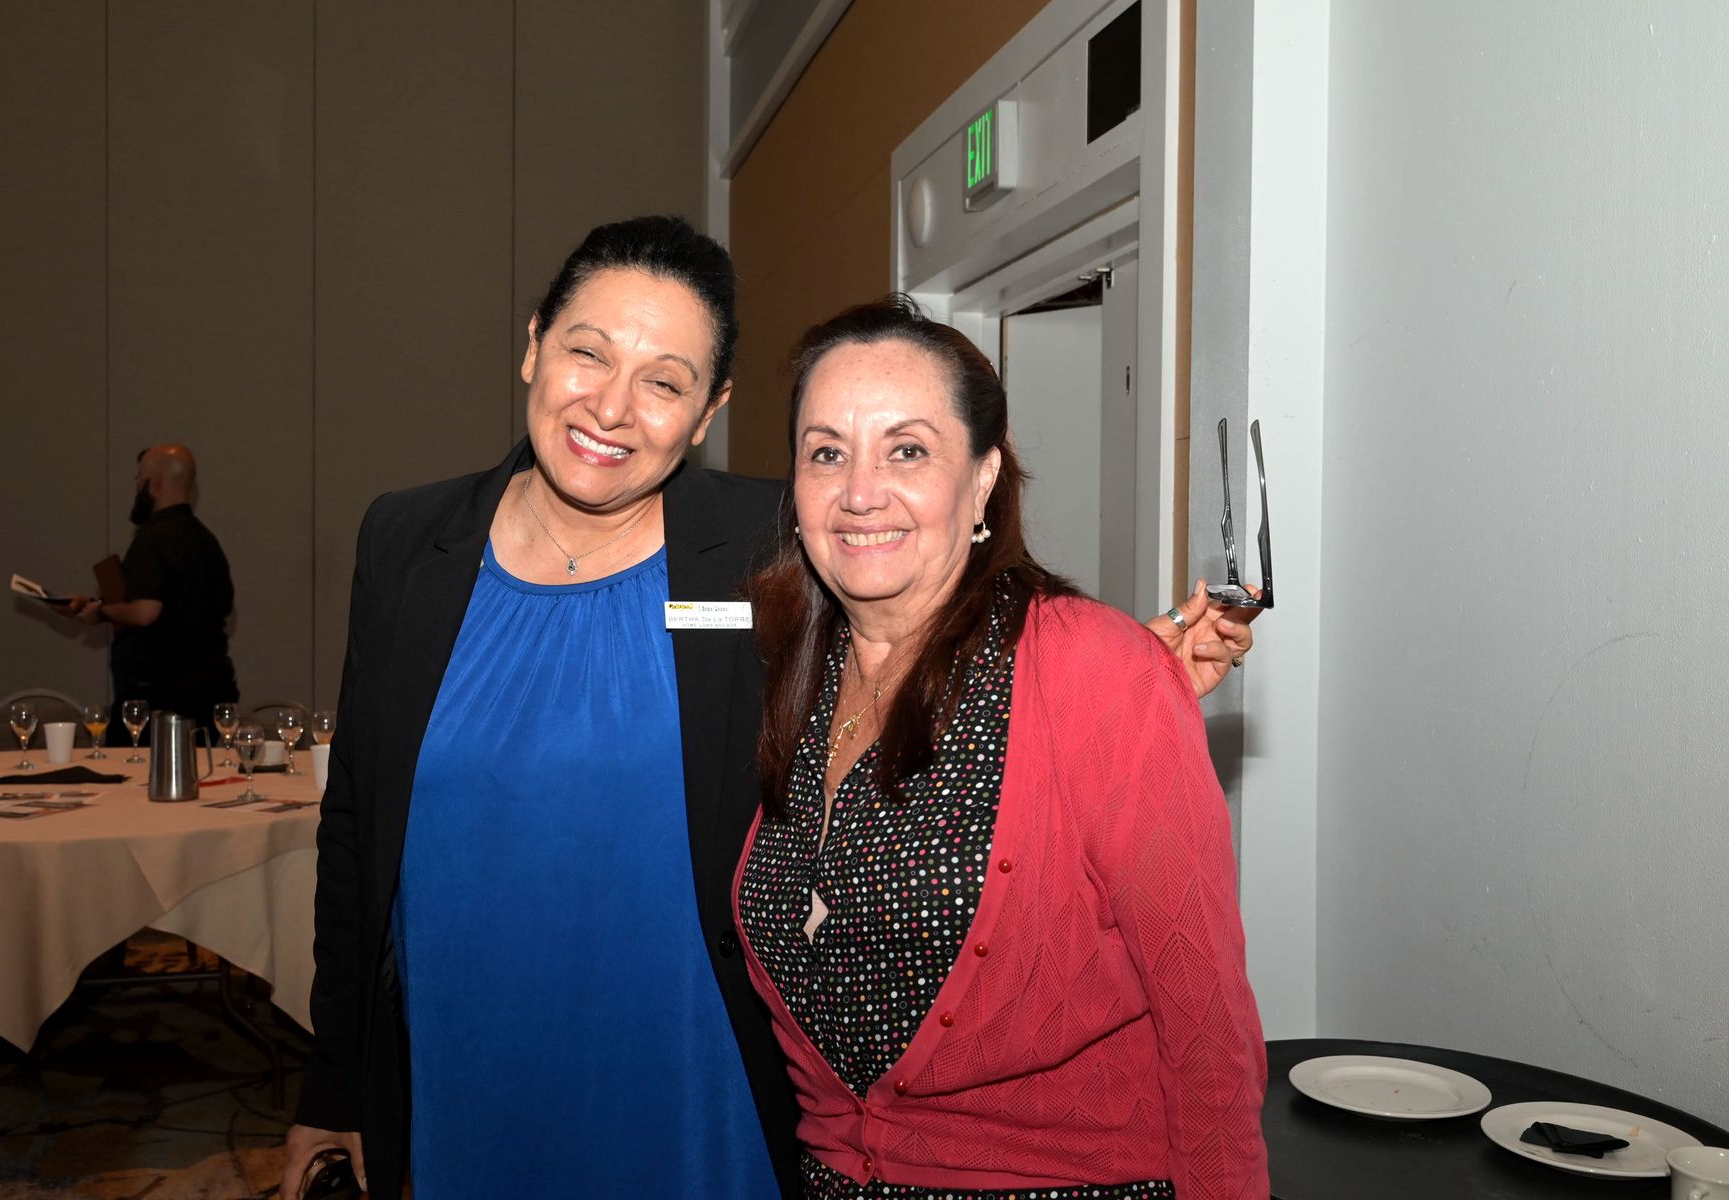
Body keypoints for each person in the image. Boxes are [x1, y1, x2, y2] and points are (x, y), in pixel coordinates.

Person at [280, 217, 1256, 1200]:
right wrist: (334, 1080)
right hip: (467, 1062)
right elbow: (357, 825)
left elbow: (929, 603)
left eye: (665, 381)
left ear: (709, 411)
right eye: (588, 352)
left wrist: (1117, 678)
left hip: (693, 1083)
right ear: (534, 344)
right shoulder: (406, 542)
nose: (613, 406)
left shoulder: (769, 543)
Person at [736, 296, 1268, 1199]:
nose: (860, 491)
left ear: (983, 478)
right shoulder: (795, 675)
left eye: (907, 450)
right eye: (827, 452)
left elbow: (1206, 1026)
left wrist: (1124, 685)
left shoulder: (1090, 668)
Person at [66, 444, 238, 736]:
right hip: (210, 692)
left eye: (138, 477)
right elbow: (209, 607)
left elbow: (146, 612)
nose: (135, 485)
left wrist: (102, 611)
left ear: (155, 482)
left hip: (158, 702)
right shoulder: (206, 541)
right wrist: (99, 604)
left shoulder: (153, 538)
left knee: (137, 765)